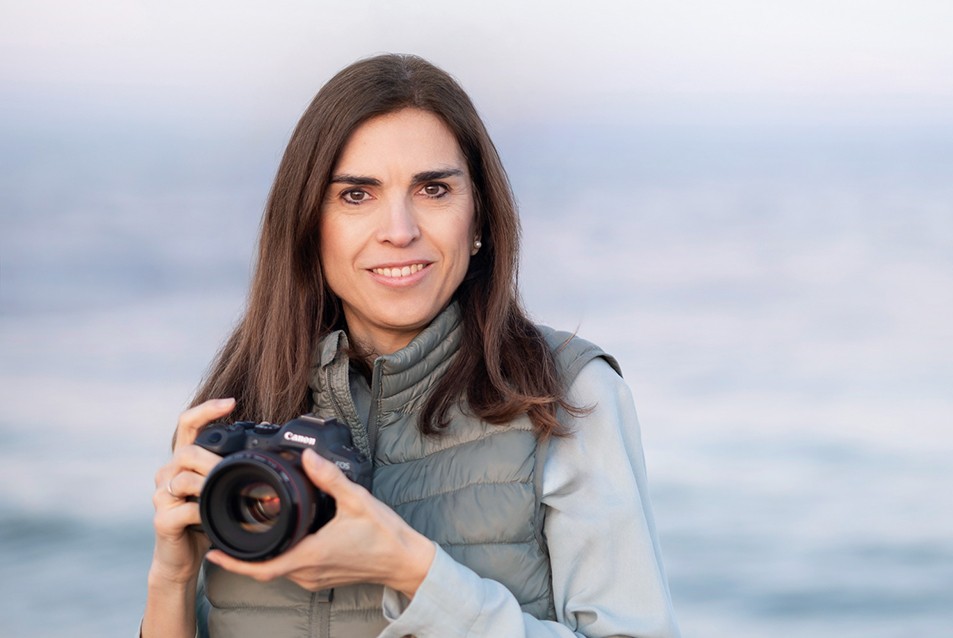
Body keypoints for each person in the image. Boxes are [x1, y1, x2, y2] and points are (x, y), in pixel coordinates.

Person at [144, 53, 681, 638]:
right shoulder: (245, 400)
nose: (399, 231)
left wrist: (414, 573)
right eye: (356, 195)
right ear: (309, 224)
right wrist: (171, 579)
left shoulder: (569, 394)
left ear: (478, 218)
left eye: (433, 189)